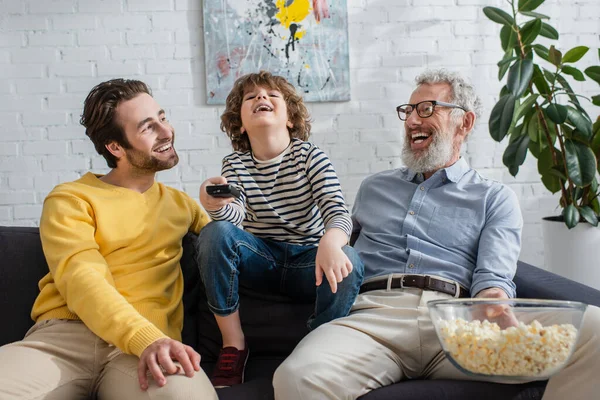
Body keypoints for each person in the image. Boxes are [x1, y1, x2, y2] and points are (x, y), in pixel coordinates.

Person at [272, 69, 600, 400]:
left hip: (459, 322)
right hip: (372, 319)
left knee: (596, 328)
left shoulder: (493, 198)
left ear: (465, 123)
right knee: (296, 378)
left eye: (427, 109)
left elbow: (493, 277)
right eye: (409, 110)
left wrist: (494, 306)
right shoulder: (374, 188)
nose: (413, 120)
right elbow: (337, 243)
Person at [0, 79, 218, 400]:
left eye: (162, 117)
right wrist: (144, 337)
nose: (166, 131)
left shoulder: (182, 205)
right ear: (115, 147)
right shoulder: (71, 199)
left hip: (150, 350)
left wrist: (226, 211)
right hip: (66, 339)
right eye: (148, 127)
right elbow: (83, 278)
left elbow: (232, 247)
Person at [195, 71, 364, 387]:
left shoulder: (311, 157)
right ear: (241, 124)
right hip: (261, 261)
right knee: (213, 233)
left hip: (307, 264)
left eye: (271, 95)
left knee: (351, 259)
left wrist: (331, 241)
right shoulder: (235, 164)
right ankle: (234, 345)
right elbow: (233, 217)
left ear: (290, 118)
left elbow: (338, 213)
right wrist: (214, 204)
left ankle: (319, 346)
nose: (261, 98)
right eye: (251, 97)